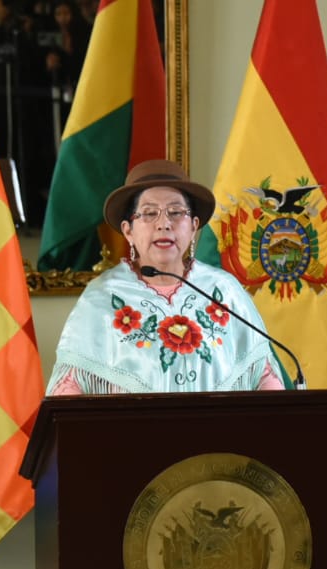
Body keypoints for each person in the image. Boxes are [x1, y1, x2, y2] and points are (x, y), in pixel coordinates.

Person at [46, 159, 287, 394]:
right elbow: (68, 387)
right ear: (128, 231)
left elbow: (264, 376)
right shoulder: (101, 296)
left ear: (193, 227)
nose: (164, 224)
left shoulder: (224, 291)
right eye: (149, 213)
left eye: (176, 212)